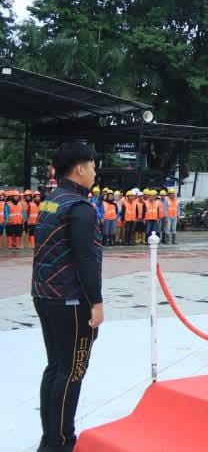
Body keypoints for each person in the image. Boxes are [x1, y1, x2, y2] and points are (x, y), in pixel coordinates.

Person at [32, 141, 104, 452]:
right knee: (71, 370)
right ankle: (62, 442)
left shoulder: (52, 200)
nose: (94, 171)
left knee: (55, 367)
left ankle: (50, 439)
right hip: (70, 300)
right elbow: (85, 259)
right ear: (79, 169)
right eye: (92, 165)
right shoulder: (80, 208)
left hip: (45, 295)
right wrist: (97, 302)